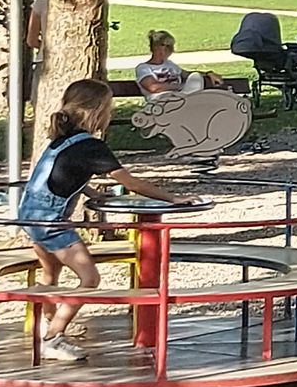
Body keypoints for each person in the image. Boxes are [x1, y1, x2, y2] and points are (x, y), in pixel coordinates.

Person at [14, 77, 191, 361]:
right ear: (97, 111)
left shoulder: (63, 139)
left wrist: (91, 190)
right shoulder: (92, 147)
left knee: (51, 275)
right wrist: (171, 197)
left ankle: (48, 325)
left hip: (29, 215)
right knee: (89, 277)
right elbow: (131, 183)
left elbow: (62, 172)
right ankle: (53, 338)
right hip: (51, 221)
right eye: (108, 108)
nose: (111, 114)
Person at [131, 29, 225, 94]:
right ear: (156, 47)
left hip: (180, 99)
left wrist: (208, 73)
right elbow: (153, 87)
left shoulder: (170, 65)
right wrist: (181, 86)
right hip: (161, 103)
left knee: (195, 77)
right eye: (168, 46)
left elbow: (188, 74)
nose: (172, 49)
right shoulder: (144, 68)